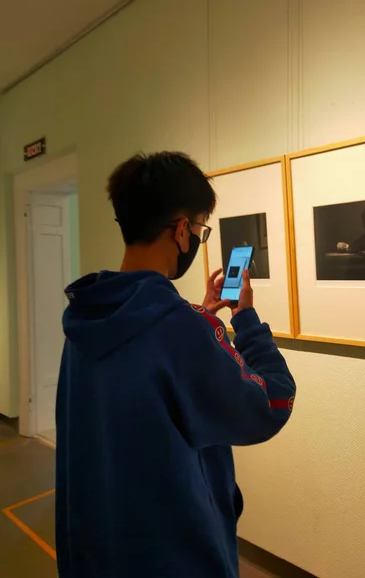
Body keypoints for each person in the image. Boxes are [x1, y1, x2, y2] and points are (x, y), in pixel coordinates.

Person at [55, 151, 296, 578]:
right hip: (174, 555)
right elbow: (271, 404)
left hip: (99, 546)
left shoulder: (87, 318)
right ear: (182, 229)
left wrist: (200, 316)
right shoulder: (180, 330)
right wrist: (244, 320)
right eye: (202, 229)